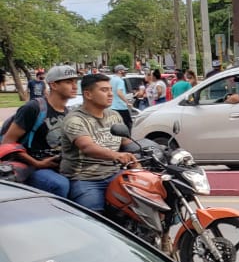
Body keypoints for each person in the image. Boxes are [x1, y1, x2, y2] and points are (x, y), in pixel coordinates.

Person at [59, 73, 138, 212]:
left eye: (110, 89)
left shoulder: (114, 115)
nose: (110, 94)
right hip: (85, 179)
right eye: (104, 90)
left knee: (150, 197)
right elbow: (87, 146)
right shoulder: (75, 119)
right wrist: (116, 155)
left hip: (114, 173)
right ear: (88, 94)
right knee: (94, 219)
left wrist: (145, 151)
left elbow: (126, 141)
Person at [1, 64, 78, 197]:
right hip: (32, 166)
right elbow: (8, 142)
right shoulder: (34, 108)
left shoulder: (69, 112)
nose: (74, 86)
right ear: (53, 85)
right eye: (68, 82)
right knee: (59, 184)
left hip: (59, 165)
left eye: (75, 81)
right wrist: (37, 163)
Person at [107, 64, 133, 129]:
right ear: (119, 71)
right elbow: (119, 93)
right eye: (124, 70)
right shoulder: (120, 81)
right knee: (128, 125)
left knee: (114, 126)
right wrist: (127, 102)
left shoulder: (111, 79)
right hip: (121, 107)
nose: (125, 72)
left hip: (111, 107)